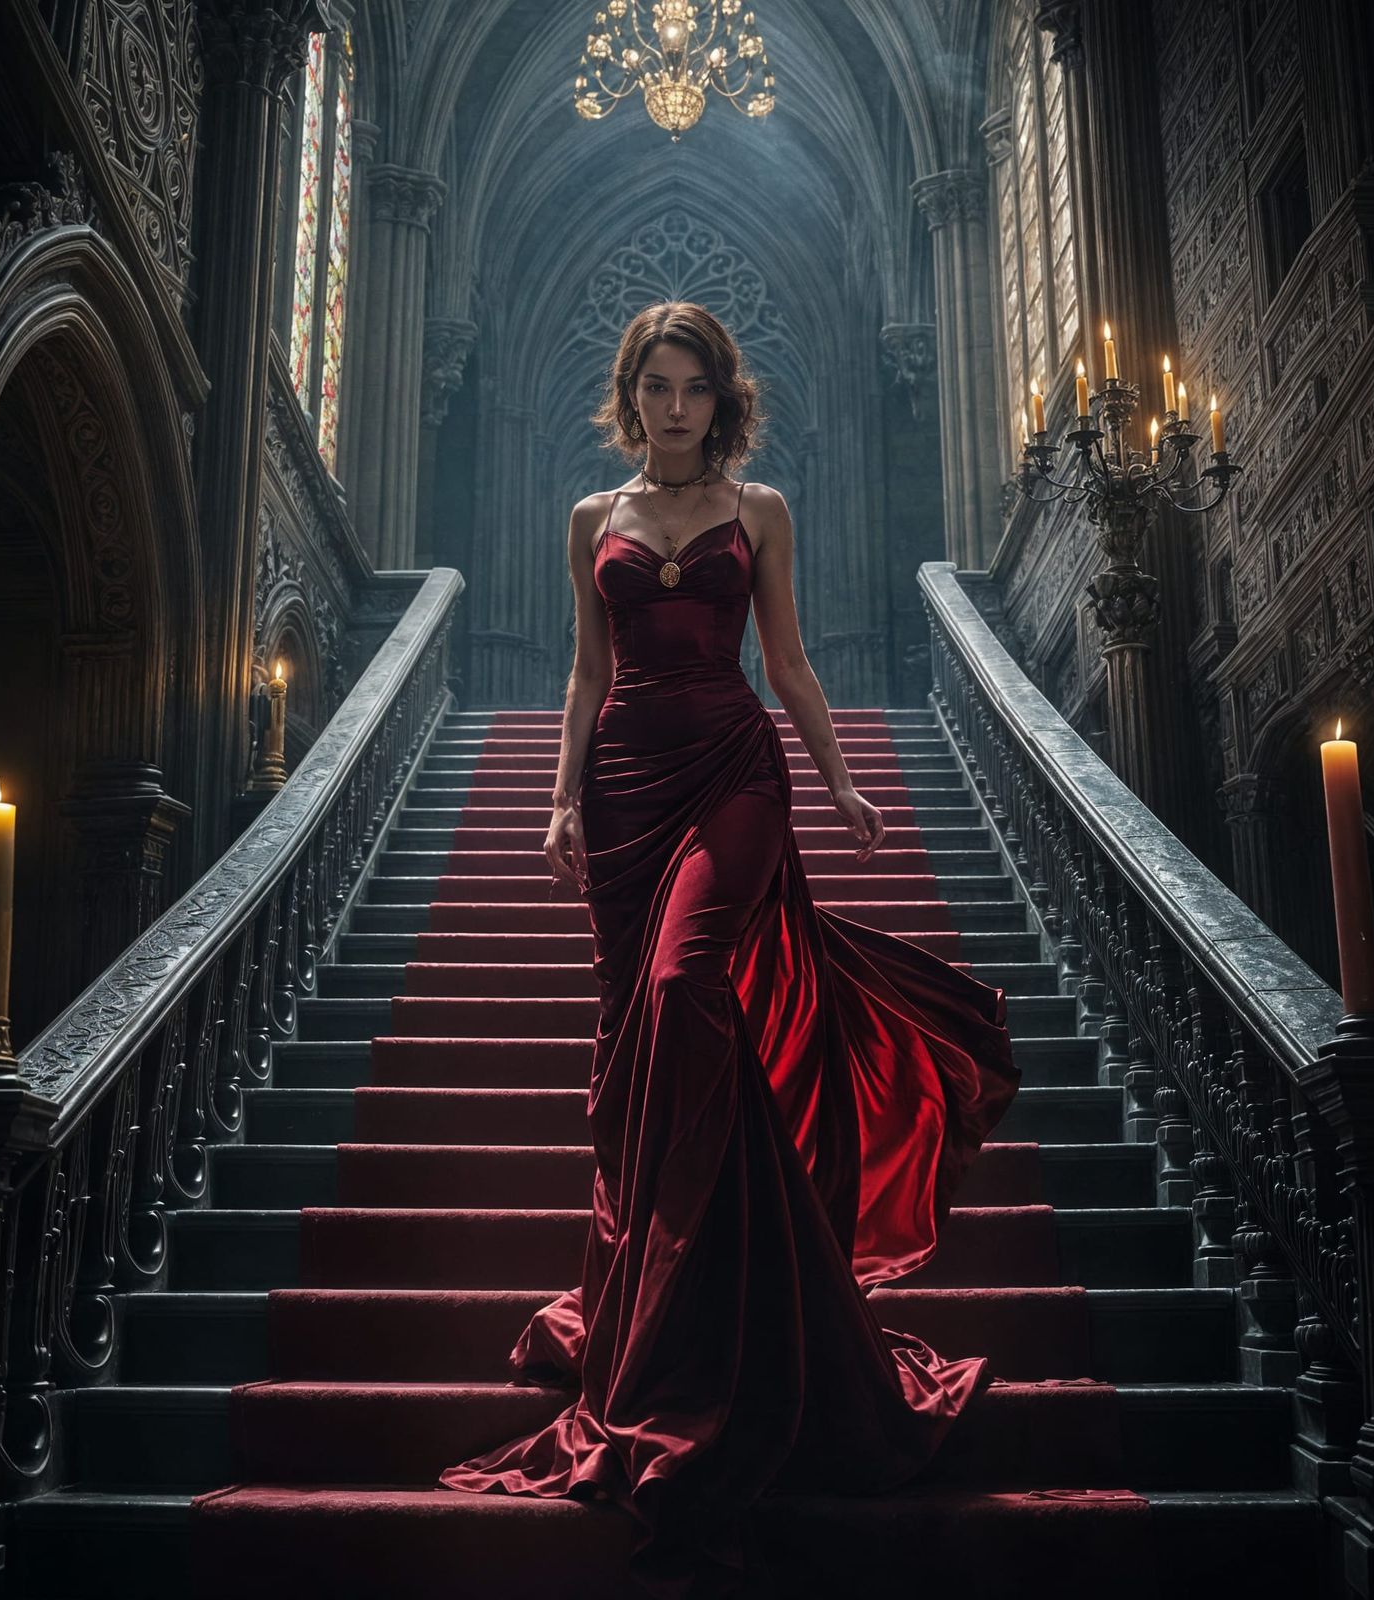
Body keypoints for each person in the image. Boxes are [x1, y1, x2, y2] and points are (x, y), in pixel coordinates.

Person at [437, 301, 1019, 1595]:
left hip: (736, 777)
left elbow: (794, 664)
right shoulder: (592, 520)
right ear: (631, 394)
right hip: (629, 786)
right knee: (631, 1041)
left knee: (687, 983)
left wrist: (846, 781)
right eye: (657, 384)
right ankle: (682, 1284)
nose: (676, 406)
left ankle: (729, 1275)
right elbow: (587, 678)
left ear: (723, 399)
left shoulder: (763, 515)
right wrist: (557, 797)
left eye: (696, 386)